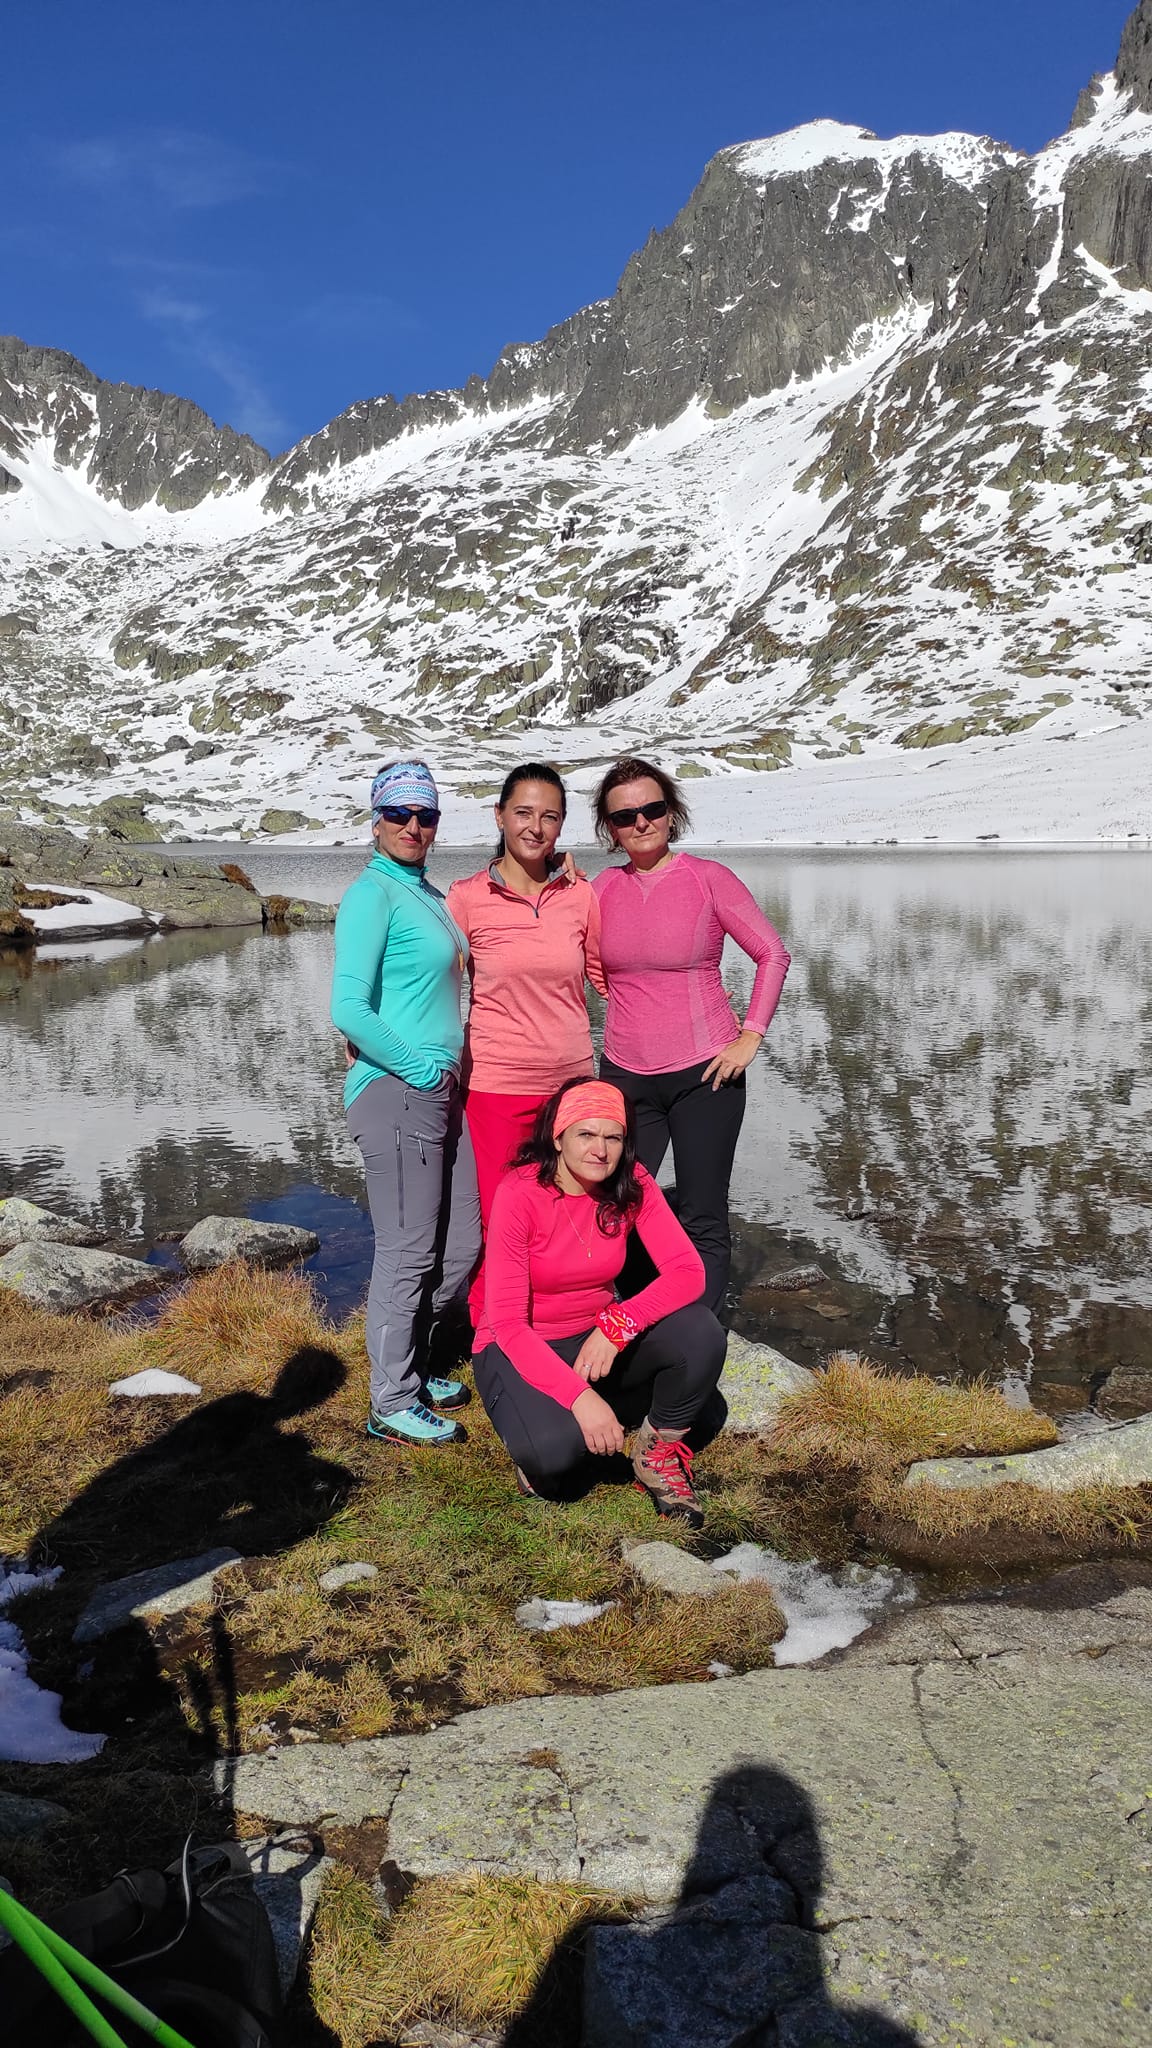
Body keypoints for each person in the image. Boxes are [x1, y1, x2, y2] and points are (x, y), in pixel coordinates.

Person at [472, 1077, 726, 1525]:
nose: (601, 1150)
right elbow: (508, 1323)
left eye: (613, 1137)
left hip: (595, 1340)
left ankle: (655, 1456)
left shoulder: (632, 1183)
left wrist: (618, 1326)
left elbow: (689, 1273)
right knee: (555, 1457)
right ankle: (563, 1424)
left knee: (701, 1332)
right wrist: (578, 1399)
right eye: (586, 1134)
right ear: (558, 1137)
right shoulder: (519, 1192)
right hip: (520, 1345)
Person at [591, 756, 790, 1318]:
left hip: (707, 1074)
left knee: (703, 1214)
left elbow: (772, 953)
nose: (641, 822)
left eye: (652, 809)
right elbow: (582, 962)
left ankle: (700, 1341)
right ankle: (638, 1319)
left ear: (671, 813)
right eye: (624, 815)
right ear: (610, 828)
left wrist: (751, 1035)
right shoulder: (600, 889)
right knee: (617, 1206)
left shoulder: (708, 879)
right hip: (625, 1075)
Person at [331, 758, 481, 1447]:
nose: (413, 826)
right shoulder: (371, 894)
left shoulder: (425, 893)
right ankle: (391, 1399)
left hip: (437, 1089)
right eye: (399, 813)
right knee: (407, 1247)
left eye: (425, 815)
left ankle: (412, 1365)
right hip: (397, 1090)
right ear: (377, 819)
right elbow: (348, 1008)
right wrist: (421, 1070)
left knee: (462, 1239)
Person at [446, 764, 604, 1318]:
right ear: (499, 816)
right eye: (523, 813)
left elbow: (609, 977)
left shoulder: (580, 895)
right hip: (496, 1085)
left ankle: (561, 1327)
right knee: (500, 1219)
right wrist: (365, 1030)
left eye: (550, 816)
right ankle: (494, 1333)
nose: (536, 827)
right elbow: (433, 980)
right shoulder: (468, 897)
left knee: (568, 1213)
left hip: (573, 1089)